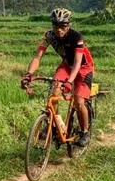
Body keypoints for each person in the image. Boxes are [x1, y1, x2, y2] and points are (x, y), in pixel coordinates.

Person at [21, 8, 96, 146]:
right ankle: (54, 127)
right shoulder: (49, 36)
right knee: (54, 90)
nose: (59, 30)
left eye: (63, 26)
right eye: (56, 25)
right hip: (66, 65)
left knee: (79, 101)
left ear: (69, 25)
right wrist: (28, 75)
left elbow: (78, 63)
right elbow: (38, 56)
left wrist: (69, 82)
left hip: (83, 69)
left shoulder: (76, 37)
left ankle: (85, 132)